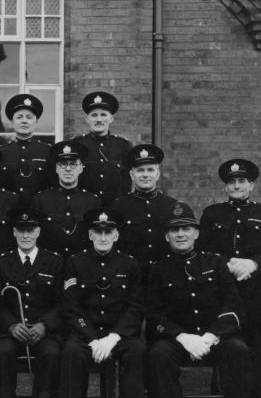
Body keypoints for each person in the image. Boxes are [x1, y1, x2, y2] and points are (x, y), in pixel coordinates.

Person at [146, 202, 252, 398]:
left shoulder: (215, 263)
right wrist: (182, 337)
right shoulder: (158, 270)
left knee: (239, 350)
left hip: (213, 338)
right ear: (166, 236)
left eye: (186, 228)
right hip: (178, 340)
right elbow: (153, 315)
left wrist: (210, 336)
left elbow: (234, 308)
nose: (180, 234)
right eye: (174, 230)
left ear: (196, 233)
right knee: (158, 354)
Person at [198, 159, 261, 398]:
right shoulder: (212, 214)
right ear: (225, 186)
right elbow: (203, 248)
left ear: (251, 185)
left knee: (254, 347)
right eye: (231, 182)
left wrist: (253, 264)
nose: (237, 185)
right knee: (222, 343)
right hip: (220, 291)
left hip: (253, 291)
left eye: (242, 181)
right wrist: (226, 265)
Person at [60, 208, 146, 398]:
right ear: (90, 234)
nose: (103, 237)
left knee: (136, 350)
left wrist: (113, 337)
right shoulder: (75, 263)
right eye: (98, 232)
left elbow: (135, 306)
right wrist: (92, 338)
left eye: (108, 232)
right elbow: (71, 307)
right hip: (85, 332)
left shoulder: (129, 264)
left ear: (116, 235)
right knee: (71, 352)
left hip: (117, 334)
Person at [0, 207, 64, 398]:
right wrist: (11, 325)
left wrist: (45, 325)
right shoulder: (1, 262)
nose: (25, 235)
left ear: (38, 231)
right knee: (2, 352)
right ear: (14, 232)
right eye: (21, 230)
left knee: (52, 353)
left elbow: (62, 303)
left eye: (30, 230)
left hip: (42, 330)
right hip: (12, 329)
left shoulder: (54, 262)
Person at [110, 144, 178, 273]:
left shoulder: (171, 206)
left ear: (157, 174)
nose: (145, 175)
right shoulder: (118, 206)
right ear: (131, 174)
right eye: (140, 170)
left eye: (150, 170)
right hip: (131, 275)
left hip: (163, 275)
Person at [29, 141, 101, 259]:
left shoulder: (92, 202)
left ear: (81, 168)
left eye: (73, 164)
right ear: (57, 168)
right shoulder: (40, 200)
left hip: (81, 264)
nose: (68, 169)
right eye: (63, 164)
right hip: (49, 264)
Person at [72, 92, 132, 205]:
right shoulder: (77, 145)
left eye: (103, 115)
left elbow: (126, 184)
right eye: (94, 115)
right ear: (87, 119)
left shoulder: (123, 146)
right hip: (84, 207)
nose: (99, 119)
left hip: (114, 208)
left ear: (111, 118)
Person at [0, 94, 53, 206]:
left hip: (39, 210)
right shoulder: (1, 152)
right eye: (19, 117)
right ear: (12, 122)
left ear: (36, 122)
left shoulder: (47, 151)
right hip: (9, 210)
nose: (24, 121)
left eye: (29, 117)